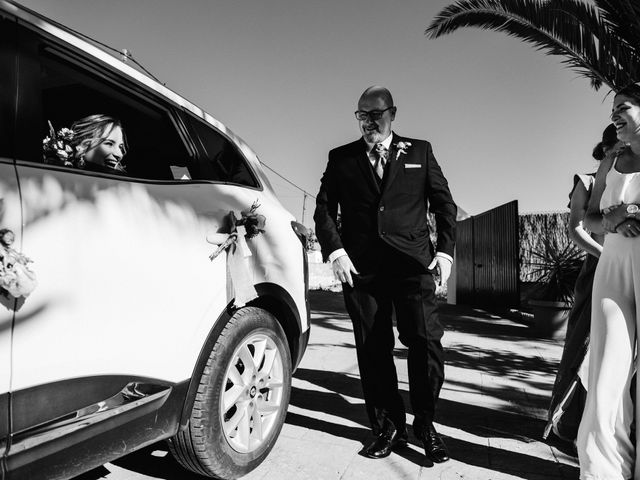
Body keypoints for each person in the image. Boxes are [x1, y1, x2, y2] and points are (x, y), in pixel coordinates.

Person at [313, 86, 457, 463]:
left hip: (413, 265)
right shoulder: (341, 158)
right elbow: (324, 210)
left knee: (425, 342)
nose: (368, 123)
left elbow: (445, 205)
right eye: (362, 115)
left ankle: (425, 424)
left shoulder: (420, 151)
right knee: (373, 347)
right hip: (362, 269)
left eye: (375, 115)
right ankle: (387, 427)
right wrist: (336, 251)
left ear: (392, 113)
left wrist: (444, 252)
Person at [577, 83, 640, 479]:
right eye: (613, 110)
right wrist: (613, 220)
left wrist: (631, 208)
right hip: (614, 269)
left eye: (625, 107)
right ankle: (603, 471)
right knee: (606, 374)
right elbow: (590, 220)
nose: (615, 115)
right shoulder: (610, 160)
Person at [544, 124, 618, 444]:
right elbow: (577, 229)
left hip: (628, 271)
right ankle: (566, 420)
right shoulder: (586, 182)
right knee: (582, 343)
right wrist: (605, 256)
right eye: (616, 150)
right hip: (598, 268)